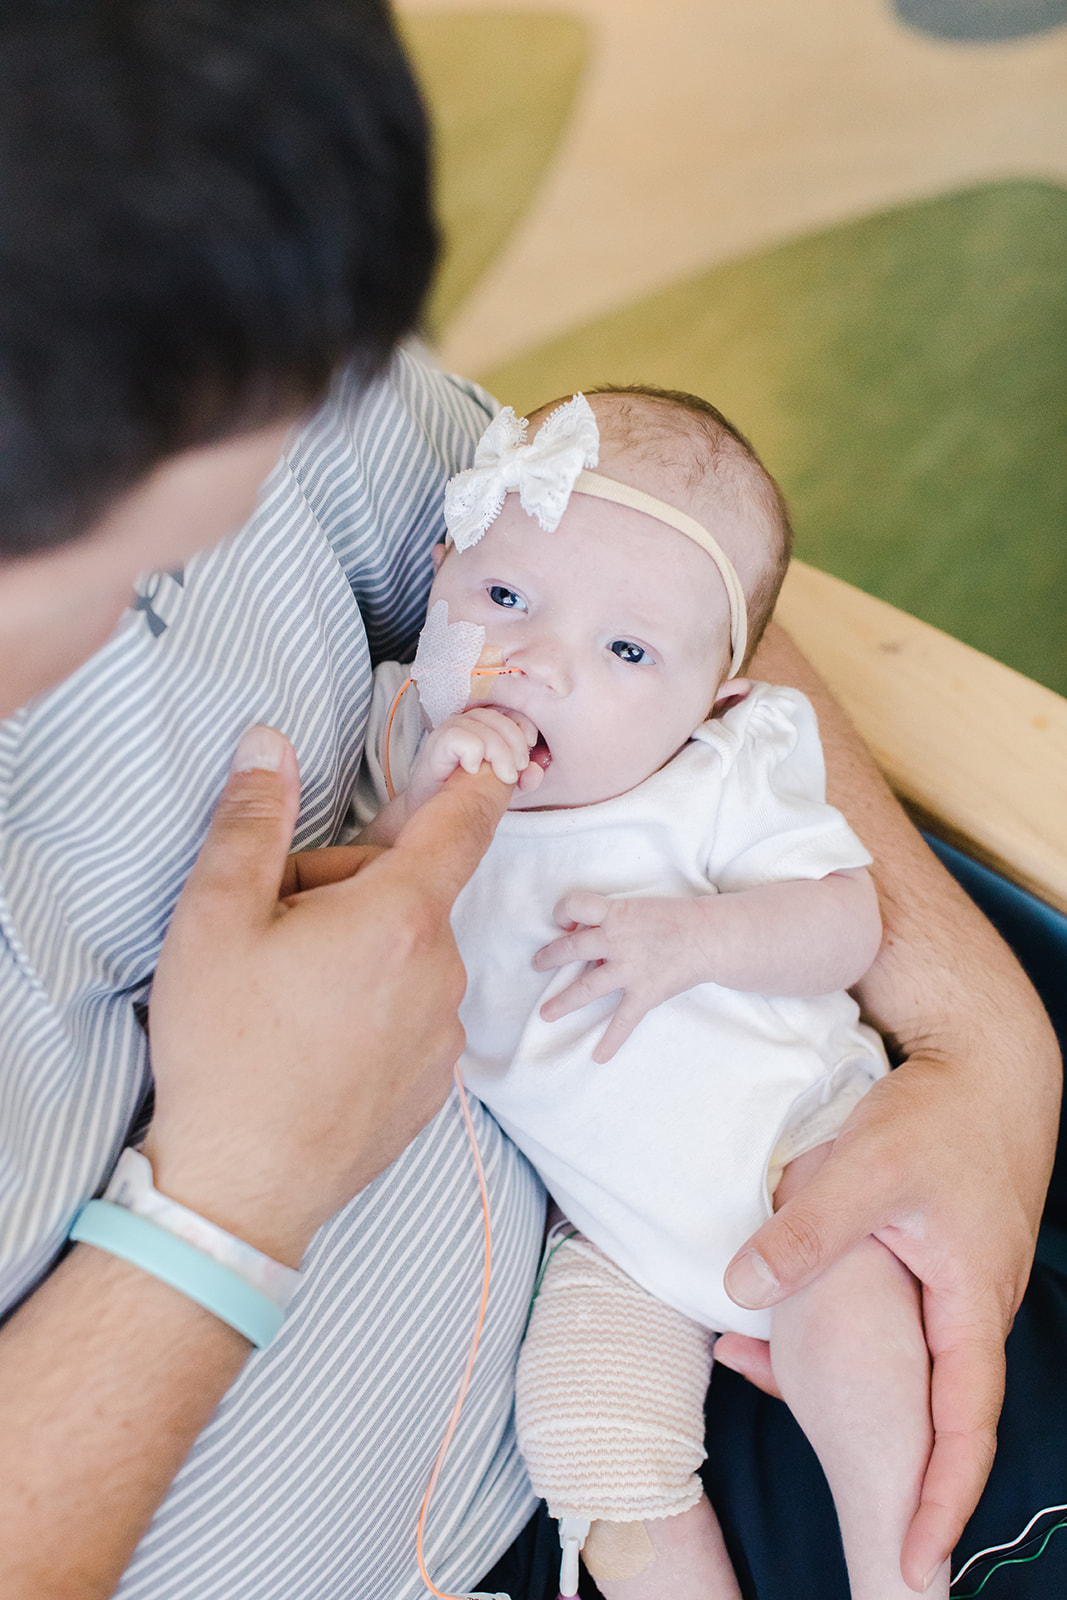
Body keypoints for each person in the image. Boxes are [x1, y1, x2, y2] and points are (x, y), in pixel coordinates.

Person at [0, 4, 1059, 1599]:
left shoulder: (202, 297)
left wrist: (990, 1049)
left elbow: (654, 560)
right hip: (580, 1366)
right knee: (616, 1458)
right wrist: (230, 1194)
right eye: (159, 549)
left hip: (790, 1216)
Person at [352, 386, 941, 1599]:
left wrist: (693, 942)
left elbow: (845, 921)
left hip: (802, 1155)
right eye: (504, 597)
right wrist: (421, 813)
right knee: (588, 1441)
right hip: (612, 1233)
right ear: (439, 569)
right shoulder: (403, 735)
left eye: (626, 652)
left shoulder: (718, 772)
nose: (537, 663)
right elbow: (368, 917)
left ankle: (894, 1570)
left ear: (710, 697)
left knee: (852, 1329)